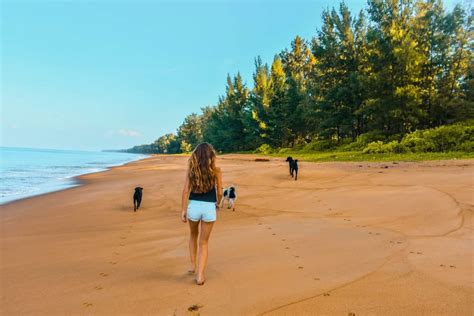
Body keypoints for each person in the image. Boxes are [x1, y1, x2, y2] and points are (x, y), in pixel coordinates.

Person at [181, 143, 222, 285]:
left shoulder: (191, 170)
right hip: (209, 207)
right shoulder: (216, 171)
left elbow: (186, 190)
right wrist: (218, 203)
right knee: (204, 243)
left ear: (196, 155)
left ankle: (193, 266)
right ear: (211, 156)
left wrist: (183, 210)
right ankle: (200, 276)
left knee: (193, 235)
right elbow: (220, 192)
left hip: (194, 207)